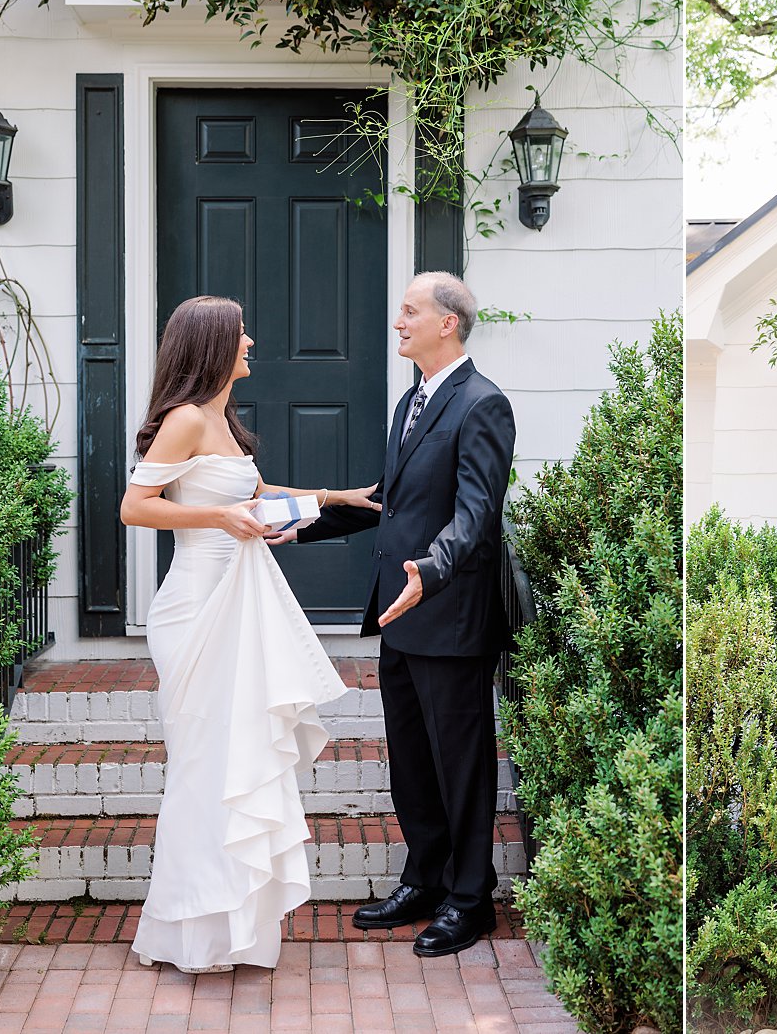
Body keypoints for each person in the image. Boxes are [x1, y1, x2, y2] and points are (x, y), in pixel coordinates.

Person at [120, 295, 380, 974]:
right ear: (213, 345)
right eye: (241, 334)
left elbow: (255, 497)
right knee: (205, 767)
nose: (252, 341)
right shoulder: (182, 421)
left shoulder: (221, 420)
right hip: (198, 608)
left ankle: (230, 928)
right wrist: (220, 521)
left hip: (238, 597)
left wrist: (333, 498)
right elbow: (134, 507)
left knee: (234, 761)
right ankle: (188, 932)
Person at [270, 271, 516, 958]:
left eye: (410, 311)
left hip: (450, 616)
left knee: (460, 764)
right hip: (401, 618)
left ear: (449, 322)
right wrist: (306, 525)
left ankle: (470, 900)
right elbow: (390, 499)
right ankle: (425, 880)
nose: (398, 321)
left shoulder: (483, 405)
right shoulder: (414, 400)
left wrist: (430, 572)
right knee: (411, 762)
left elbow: (474, 516)